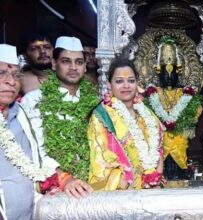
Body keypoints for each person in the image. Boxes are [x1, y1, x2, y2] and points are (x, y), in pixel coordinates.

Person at [0, 44, 91, 220]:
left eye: (15, 75)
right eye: (1, 73)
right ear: (55, 64)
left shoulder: (20, 114)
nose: (11, 81)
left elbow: (38, 157)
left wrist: (64, 179)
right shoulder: (32, 102)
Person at [21, 36, 100, 181]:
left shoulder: (96, 103)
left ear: (84, 67)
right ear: (53, 64)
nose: (73, 68)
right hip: (54, 185)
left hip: (94, 181)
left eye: (79, 62)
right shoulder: (34, 100)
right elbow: (34, 149)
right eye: (65, 61)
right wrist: (64, 178)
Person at [88, 59, 164, 190]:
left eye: (131, 80)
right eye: (119, 81)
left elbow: (159, 149)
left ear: (137, 83)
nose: (126, 85)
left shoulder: (148, 115)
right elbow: (100, 160)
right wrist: (130, 185)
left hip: (152, 189)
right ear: (109, 85)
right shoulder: (102, 116)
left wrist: (155, 179)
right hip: (121, 193)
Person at [144, 36, 203, 180]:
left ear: (179, 72)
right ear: (159, 72)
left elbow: (195, 112)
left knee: (178, 172)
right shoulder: (152, 94)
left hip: (179, 141)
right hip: (159, 142)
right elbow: (146, 115)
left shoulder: (185, 93)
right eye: (166, 73)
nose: (169, 77)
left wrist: (180, 120)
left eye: (173, 73)